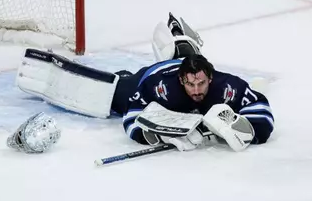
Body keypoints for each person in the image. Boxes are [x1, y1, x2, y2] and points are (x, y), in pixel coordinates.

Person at [15, 13, 274, 152]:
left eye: (202, 84)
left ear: (211, 79)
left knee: (189, 58)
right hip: (144, 78)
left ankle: (181, 40)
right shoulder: (161, 88)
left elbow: (262, 111)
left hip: (183, 66)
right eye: (190, 85)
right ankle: (145, 65)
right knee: (116, 94)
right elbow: (131, 116)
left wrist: (245, 128)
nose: (197, 91)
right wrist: (152, 136)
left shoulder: (226, 87)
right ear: (180, 80)